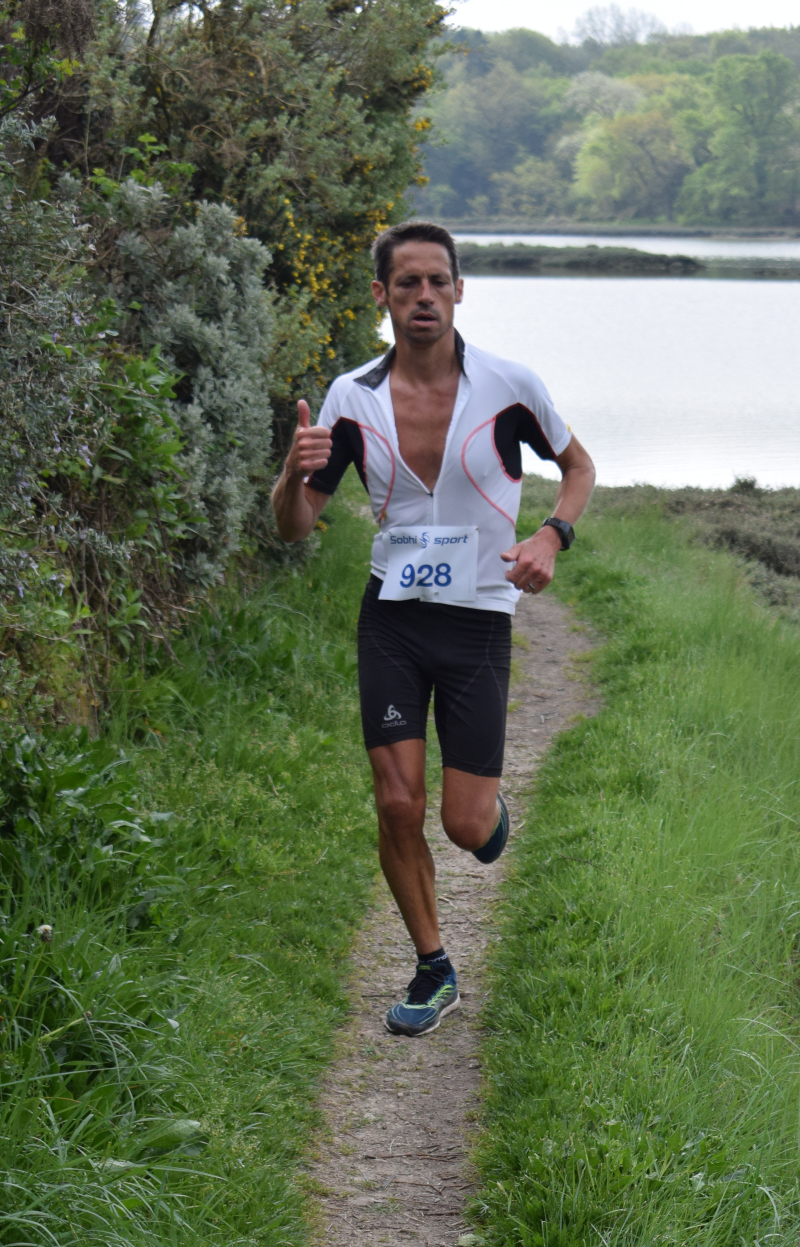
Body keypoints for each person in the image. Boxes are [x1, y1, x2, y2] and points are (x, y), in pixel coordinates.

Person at [270, 220, 595, 1036]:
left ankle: (486, 817)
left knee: (464, 824)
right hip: (391, 619)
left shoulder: (509, 386)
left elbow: (578, 467)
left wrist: (550, 537)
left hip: (478, 618)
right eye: (407, 282)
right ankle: (433, 968)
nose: (424, 296)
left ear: (459, 291)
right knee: (396, 801)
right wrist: (288, 475)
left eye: (437, 281)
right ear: (380, 295)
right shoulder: (350, 397)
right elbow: (295, 526)